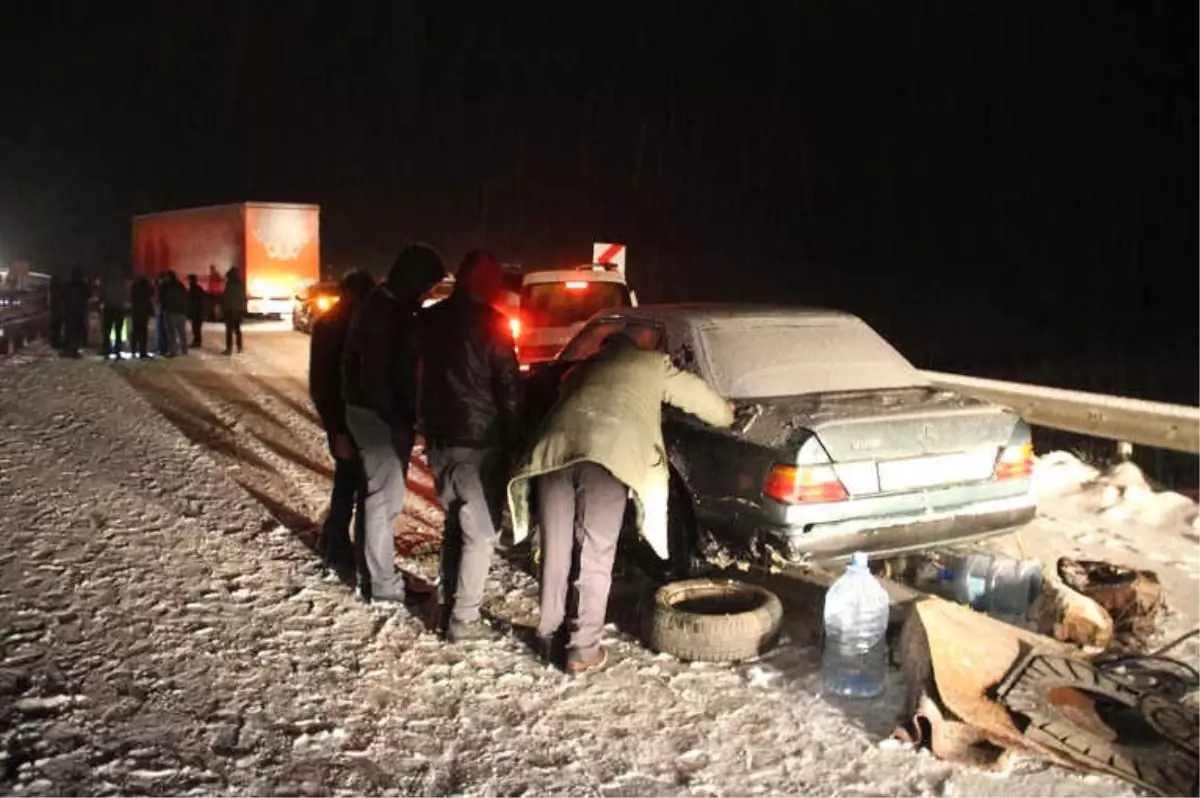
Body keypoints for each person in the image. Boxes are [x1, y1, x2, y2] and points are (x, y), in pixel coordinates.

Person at [507, 332, 735, 673]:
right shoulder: (651, 363)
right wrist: (727, 414)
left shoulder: (582, 369)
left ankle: (549, 632)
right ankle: (581, 650)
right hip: (607, 457)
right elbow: (698, 398)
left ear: (604, 349)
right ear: (635, 347)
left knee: (556, 549)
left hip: (552, 455)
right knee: (594, 552)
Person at [417, 250, 523, 642]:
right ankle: (463, 620)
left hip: (439, 439)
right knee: (481, 532)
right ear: (478, 281)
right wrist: (515, 439)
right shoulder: (492, 324)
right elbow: (509, 387)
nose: (498, 285)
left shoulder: (428, 320)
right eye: (493, 278)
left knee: (454, 522)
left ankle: (445, 601)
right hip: (477, 440)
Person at [342, 244, 446, 603]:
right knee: (383, 500)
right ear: (412, 277)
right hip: (377, 418)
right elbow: (378, 379)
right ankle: (383, 586)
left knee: (377, 498)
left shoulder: (385, 305)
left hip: (375, 413)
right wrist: (405, 419)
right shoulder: (384, 312)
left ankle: (372, 576)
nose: (427, 294)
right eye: (427, 286)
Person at [310, 269, 376, 571]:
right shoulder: (338, 325)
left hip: (350, 419)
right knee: (351, 483)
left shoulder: (336, 322)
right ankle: (336, 542)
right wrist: (337, 429)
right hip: (348, 420)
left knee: (350, 482)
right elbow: (322, 383)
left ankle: (338, 540)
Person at [62, 268, 92, 358]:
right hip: (79, 311)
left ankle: (68, 349)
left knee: (70, 331)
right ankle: (74, 350)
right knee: (77, 332)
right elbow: (89, 295)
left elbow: (63, 296)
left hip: (69, 311)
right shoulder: (83, 286)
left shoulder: (68, 285)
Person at [100, 268, 128, 360]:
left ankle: (106, 350)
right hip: (119, 308)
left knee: (107, 331)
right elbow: (127, 295)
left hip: (109, 308)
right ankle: (117, 350)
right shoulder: (123, 283)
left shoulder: (106, 282)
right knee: (118, 331)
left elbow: (102, 294)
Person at [159, 271, 188, 356]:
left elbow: (162, 298)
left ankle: (173, 351)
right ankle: (184, 350)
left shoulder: (165, 286)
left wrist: (164, 308)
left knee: (172, 333)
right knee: (182, 332)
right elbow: (185, 297)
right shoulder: (181, 285)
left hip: (170, 312)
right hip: (181, 312)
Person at [222, 266, 246, 355]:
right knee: (237, 330)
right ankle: (240, 348)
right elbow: (243, 298)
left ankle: (229, 349)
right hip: (238, 310)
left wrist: (223, 308)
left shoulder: (229, 284)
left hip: (230, 310)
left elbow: (226, 298)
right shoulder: (240, 284)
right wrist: (243, 310)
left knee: (229, 330)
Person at [129, 275, 154, 359]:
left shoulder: (134, 286)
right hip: (144, 312)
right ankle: (142, 351)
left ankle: (133, 350)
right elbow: (150, 299)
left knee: (135, 331)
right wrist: (151, 311)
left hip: (136, 312)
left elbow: (131, 298)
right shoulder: (147, 288)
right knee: (143, 332)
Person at [186, 274, 206, 347]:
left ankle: (197, 342)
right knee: (197, 328)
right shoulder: (198, 289)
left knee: (195, 328)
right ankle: (197, 342)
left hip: (195, 312)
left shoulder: (192, 289)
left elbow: (190, 301)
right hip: (199, 312)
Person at [48, 274, 65, 348]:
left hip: (55, 309)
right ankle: (55, 341)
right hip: (58, 310)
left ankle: (54, 341)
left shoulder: (52, 288)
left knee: (55, 326)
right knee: (57, 326)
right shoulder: (58, 288)